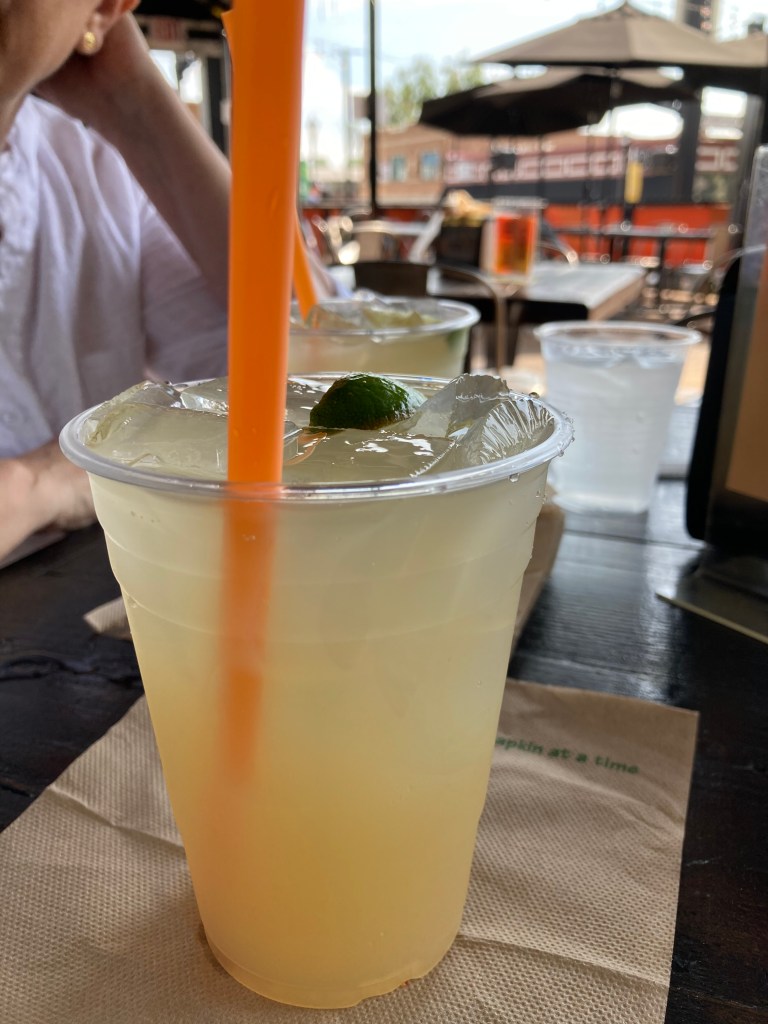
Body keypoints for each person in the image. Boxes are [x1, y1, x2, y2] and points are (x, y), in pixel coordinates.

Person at [0, 0, 235, 564]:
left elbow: (320, 378)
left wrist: (139, 104)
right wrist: (43, 481)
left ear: (106, 8)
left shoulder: (96, 174)